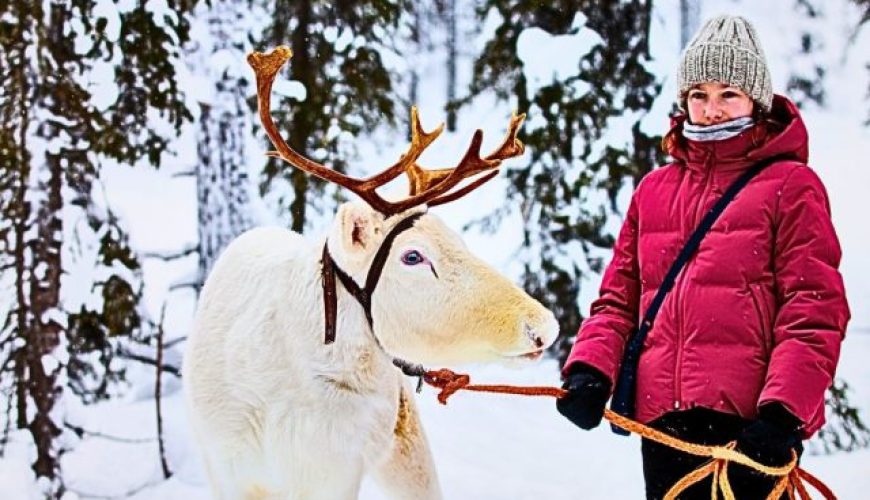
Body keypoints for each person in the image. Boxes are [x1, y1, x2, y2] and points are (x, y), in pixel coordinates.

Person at [556, 14, 850, 499]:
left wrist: (783, 414)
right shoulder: (654, 190)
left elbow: (813, 309)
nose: (711, 109)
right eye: (699, 95)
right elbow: (618, 300)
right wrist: (590, 369)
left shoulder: (791, 187)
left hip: (751, 430)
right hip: (663, 423)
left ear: (755, 99)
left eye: (727, 94)